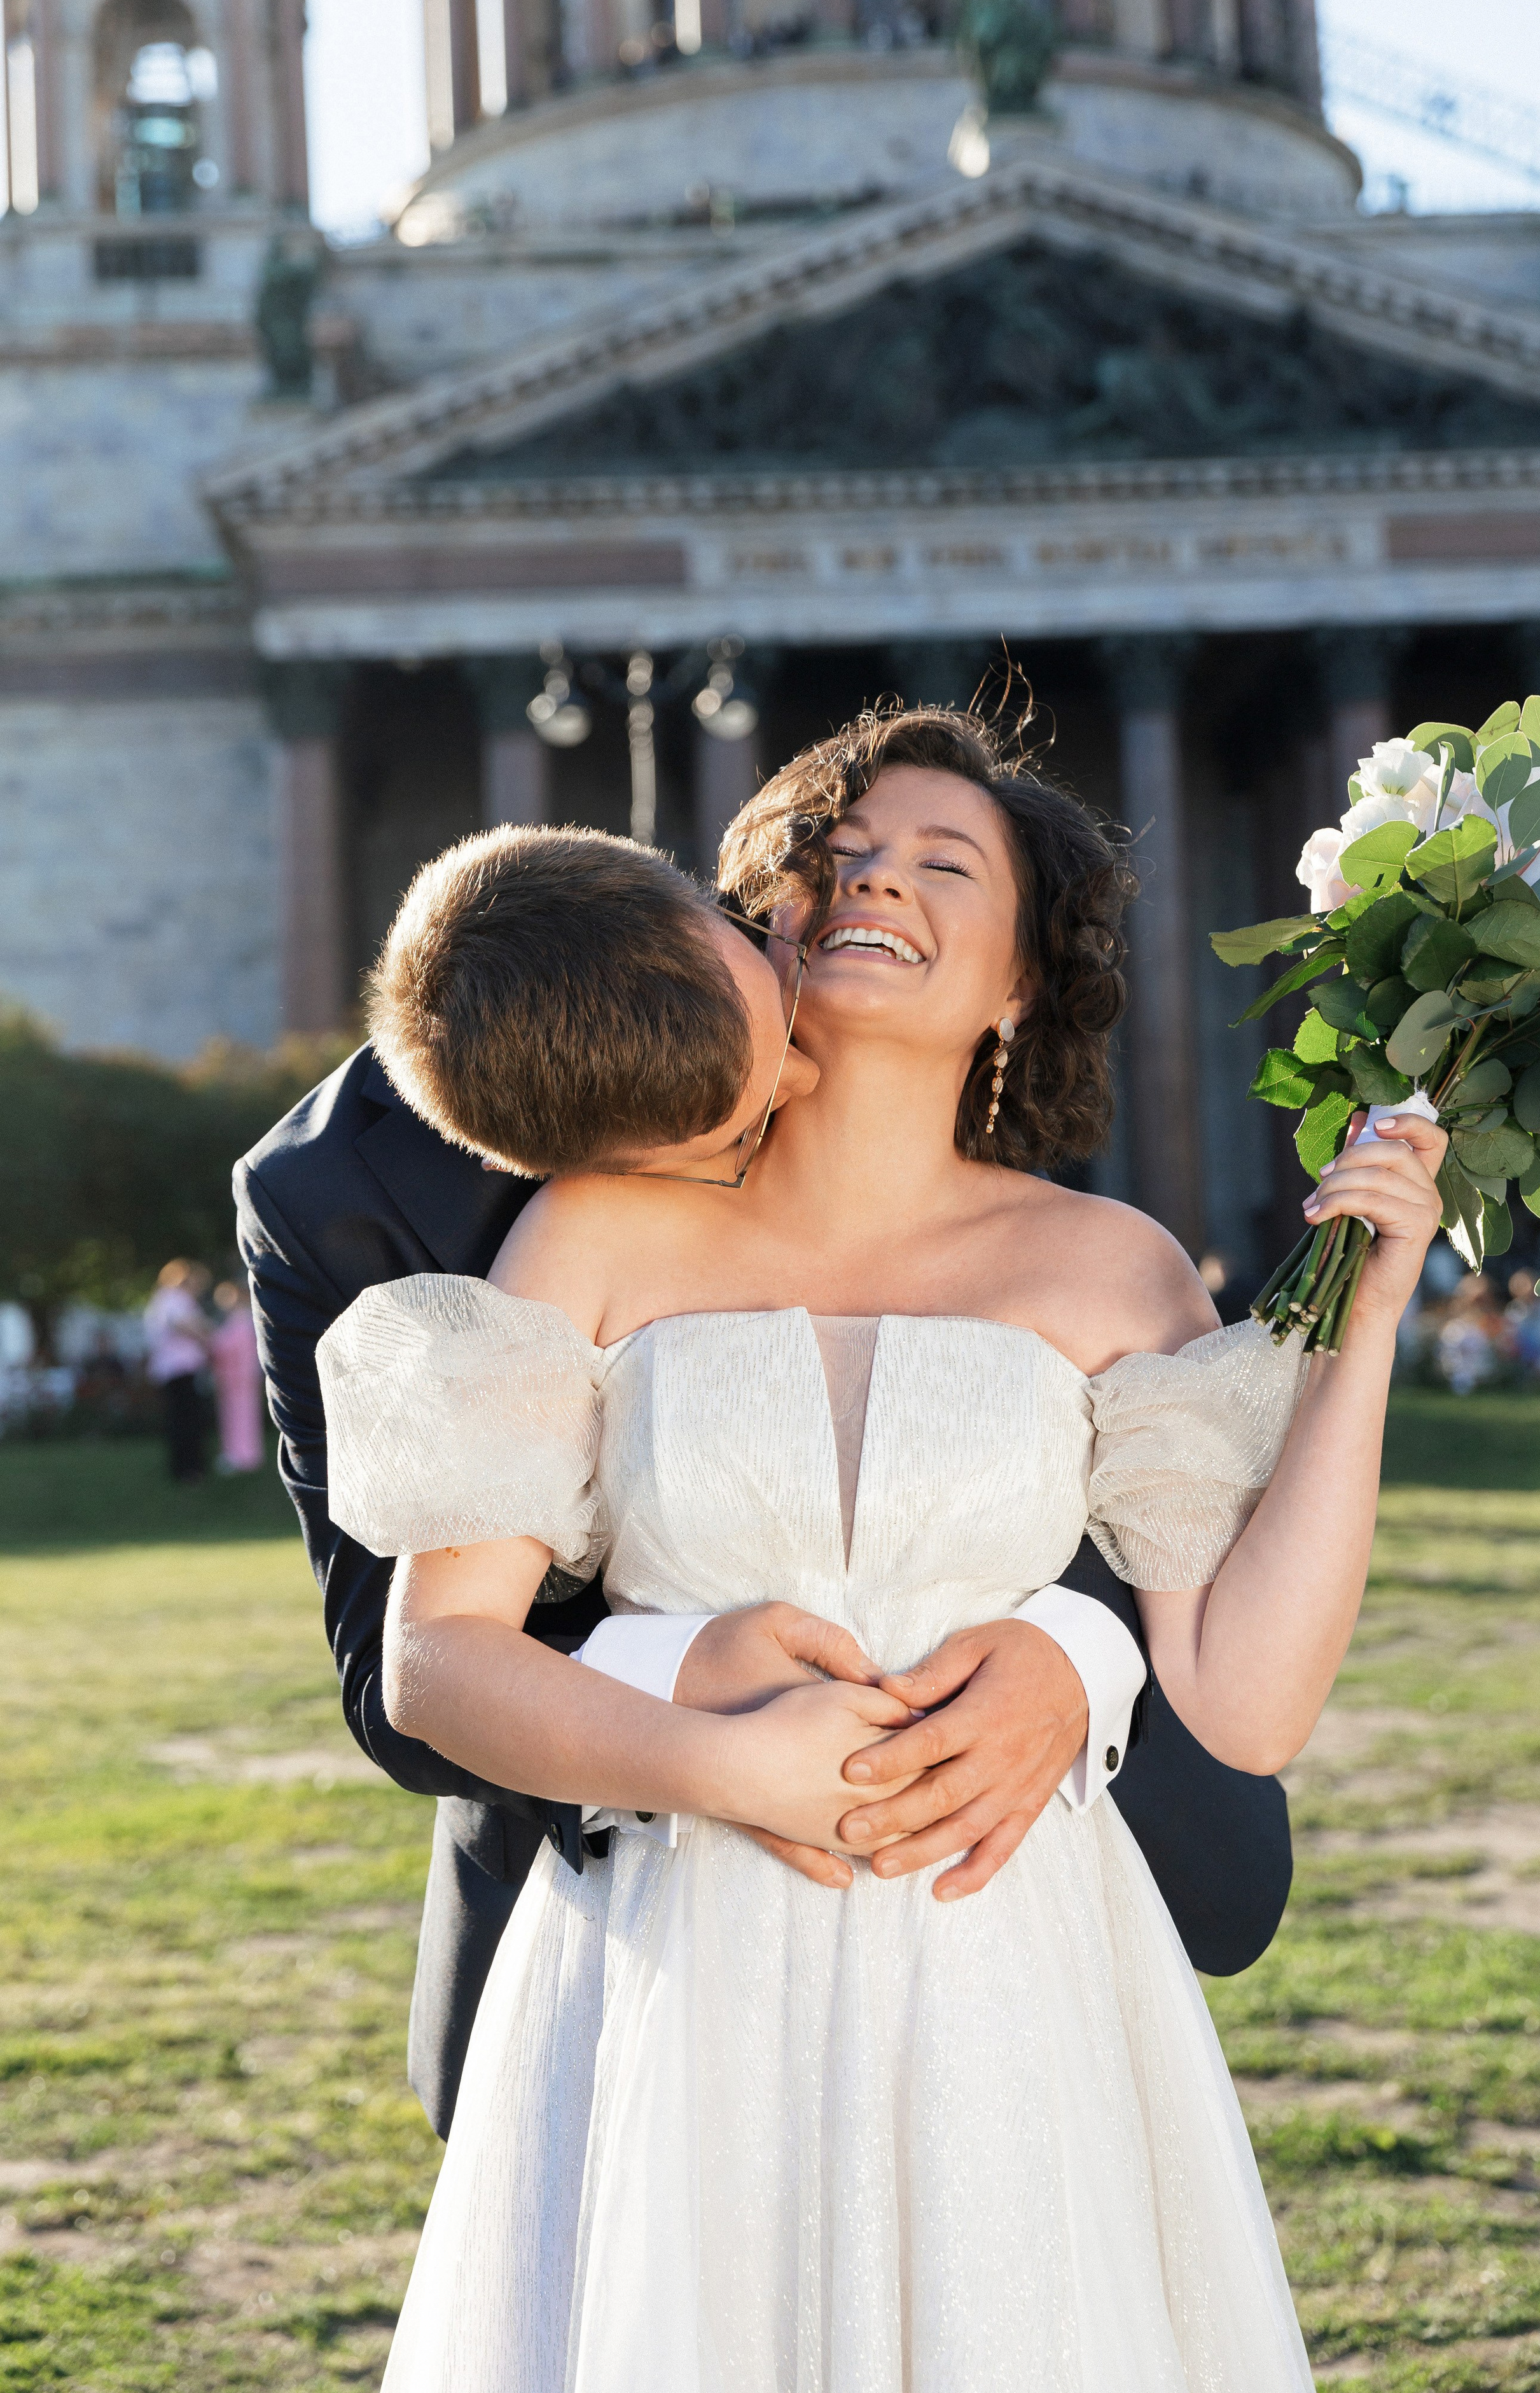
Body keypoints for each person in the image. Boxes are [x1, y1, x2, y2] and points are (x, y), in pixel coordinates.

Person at [314, 709, 1448, 2389]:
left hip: (1005, 1974)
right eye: (837, 857)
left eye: (943, 863)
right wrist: (724, 1769)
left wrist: (1367, 1323)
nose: (877, 884)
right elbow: (438, 1660)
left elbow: (1253, 1705)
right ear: (762, 922)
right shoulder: (593, 1228)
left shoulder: (1109, 1269)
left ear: (1015, 985)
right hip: (675, 1956)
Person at [235, 820, 1295, 2149]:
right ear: (599, 1156)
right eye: (742, 1117)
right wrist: (684, 1678)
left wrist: (1074, 1650)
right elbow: (402, 1679)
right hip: (642, 1906)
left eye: (763, 982)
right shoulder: (336, 1199)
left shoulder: (780, 931)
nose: (802, 1072)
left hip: (1004, 1895)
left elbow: (1054, 1452)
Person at [143, 1259, 212, 1484]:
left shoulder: (162, 1299)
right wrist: (209, 1337)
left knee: (180, 1419)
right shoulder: (175, 1299)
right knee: (188, 1420)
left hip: (173, 1369)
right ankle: (190, 1469)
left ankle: (184, 1467)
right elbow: (186, 1326)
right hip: (181, 1368)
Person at [211, 1281, 265, 1473]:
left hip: (241, 1379)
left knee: (242, 1416)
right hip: (233, 1378)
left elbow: (228, 1347)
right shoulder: (236, 1320)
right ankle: (238, 1453)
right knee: (236, 1415)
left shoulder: (241, 1321)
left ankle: (244, 1455)